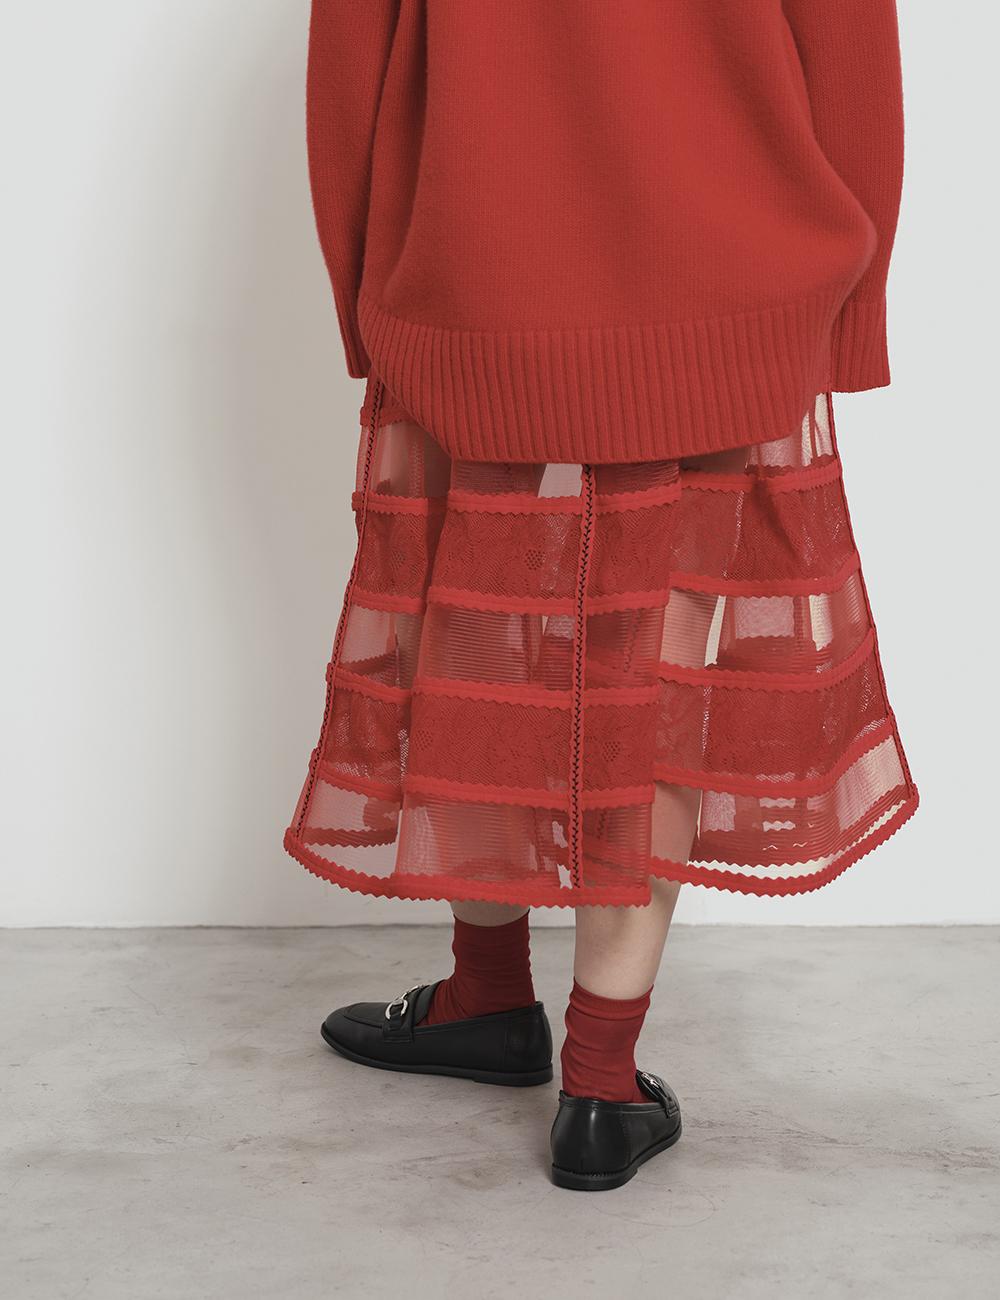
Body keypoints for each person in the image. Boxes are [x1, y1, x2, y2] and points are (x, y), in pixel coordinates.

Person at [285, 0, 917, 1192]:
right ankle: (597, 1083)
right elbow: (849, 50)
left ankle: (487, 998)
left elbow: (349, 60)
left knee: (476, 639)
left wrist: (369, 294)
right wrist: (854, 314)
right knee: (657, 681)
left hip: (478, 265)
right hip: (730, 269)